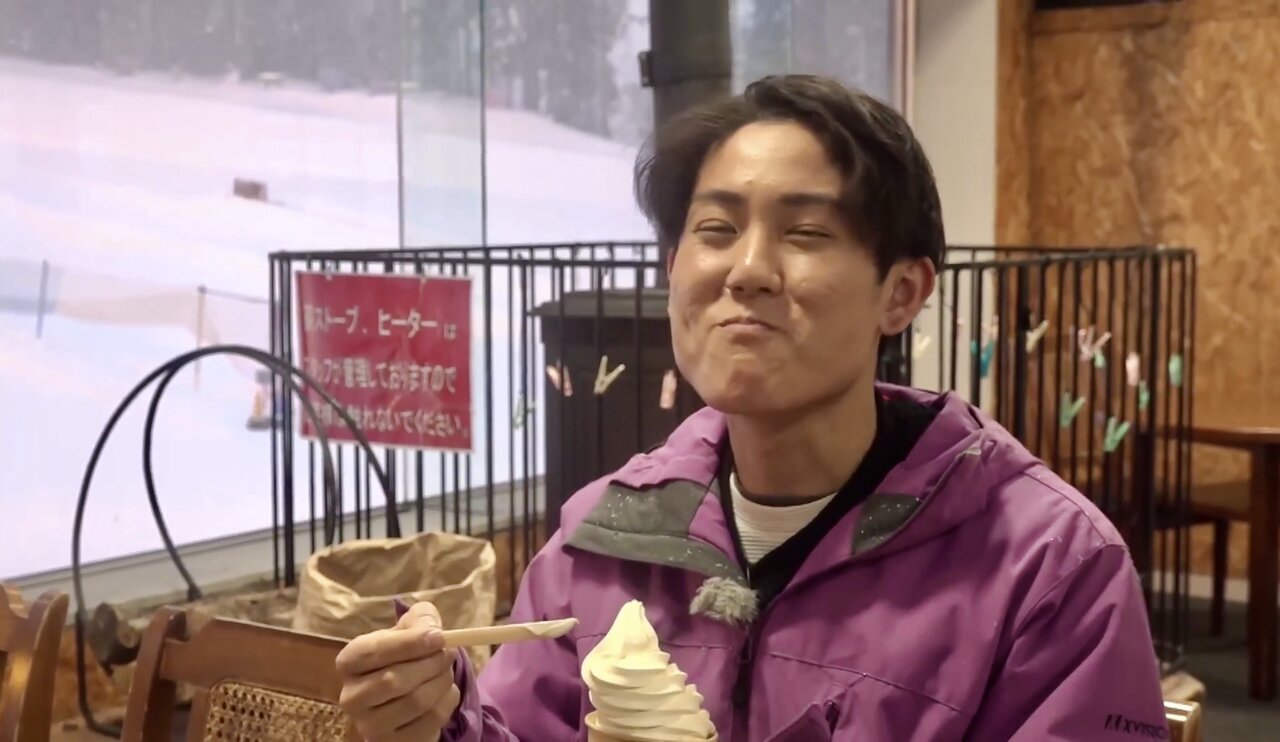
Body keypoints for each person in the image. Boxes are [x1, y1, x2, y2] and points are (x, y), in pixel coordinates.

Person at [335, 75, 1168, 741]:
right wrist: (436, 721)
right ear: (673, 268)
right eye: (715, 229)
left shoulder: (1048, 569)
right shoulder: (599, 544)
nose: (747, 270)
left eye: (804, 234)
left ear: (901, 292)